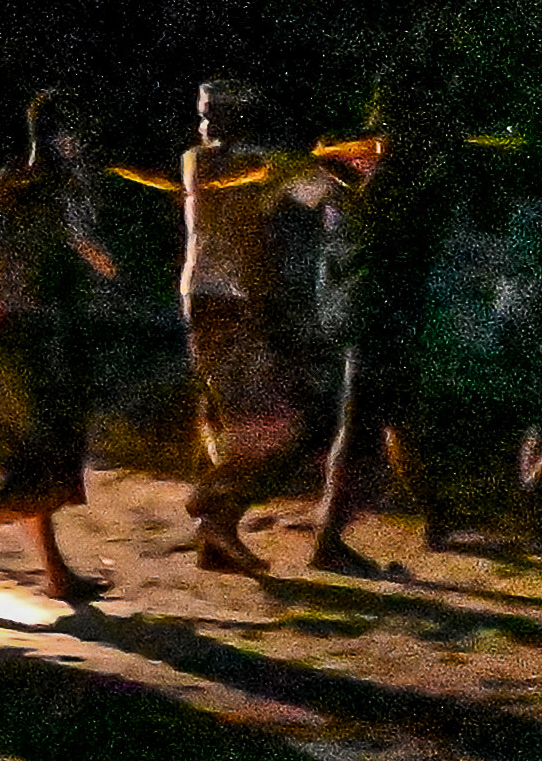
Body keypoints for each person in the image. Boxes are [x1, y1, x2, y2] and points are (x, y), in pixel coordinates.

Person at [302, 83, 478, 566]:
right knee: (361, 425)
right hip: (377, 314)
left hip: (371, 310)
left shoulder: (351, 172)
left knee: (402, 419)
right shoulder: (389, 178)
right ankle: (327, 539)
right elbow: (393, 228)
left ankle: (438, 517)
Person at [175, 81, 337, 575]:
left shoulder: (207, 161)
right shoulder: (242, 162)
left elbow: (312, 190)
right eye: (210, 113)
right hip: (229, 300)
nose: (209, 123)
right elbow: (324, 192)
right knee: (279, 425)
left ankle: (215, 538)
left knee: (226, 416)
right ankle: (213, 499)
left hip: (211, 296)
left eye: (217, 113)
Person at [0, 92, 120, 602]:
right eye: (76, 135)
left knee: (27, 464)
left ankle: (55, 573)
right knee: (51, 471)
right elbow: (102, 261)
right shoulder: (62, 193)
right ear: (60, 137)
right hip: (43, 338)